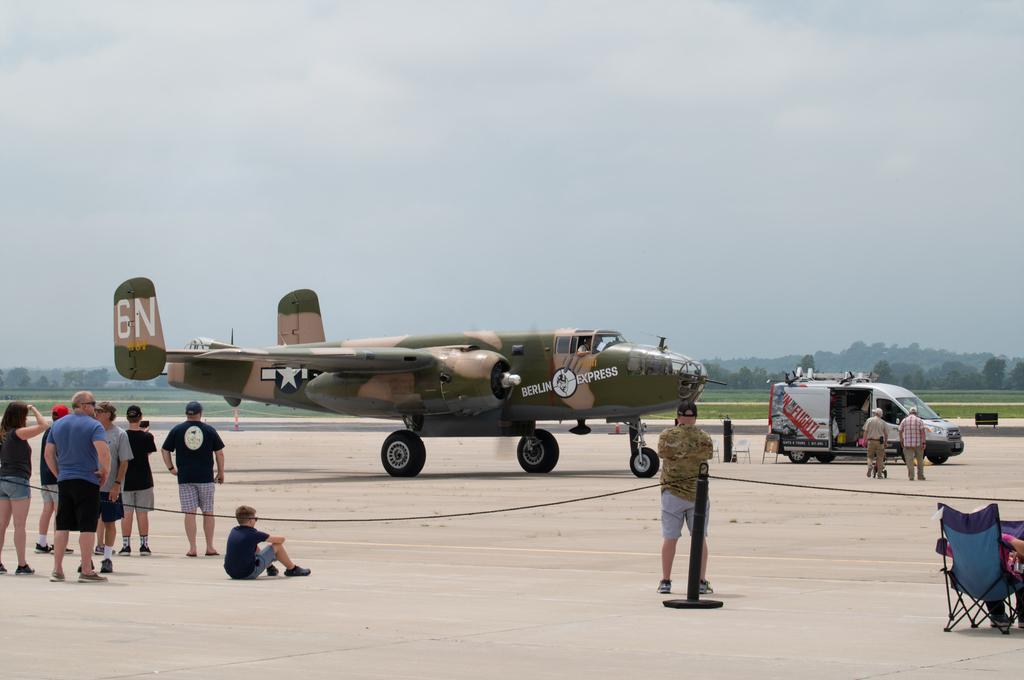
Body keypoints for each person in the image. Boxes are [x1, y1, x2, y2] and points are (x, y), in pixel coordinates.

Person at [43, 390, 111, 582]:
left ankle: (57, 569)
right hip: (87, 480)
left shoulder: (57, 425)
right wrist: (104, 472)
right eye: (92, 404)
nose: (94, 408)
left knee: (62, 525)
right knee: (87, 527)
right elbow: (103, 452)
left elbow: (48, 454)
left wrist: (59, 474)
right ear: (83, 405)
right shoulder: (94, 426)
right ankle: (86, 569)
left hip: (65, 480)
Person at [656, 401, 714, 595]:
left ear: (678, 416)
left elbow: (662, 453)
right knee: (699, 539)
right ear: (695, 417)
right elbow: (707, 455)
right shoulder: (704, 437)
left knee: (670, 538)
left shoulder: (666, 436)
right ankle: (700, 581)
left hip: (672, 493)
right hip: (697, 494)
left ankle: (665, 581)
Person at [161, 401, 225, 557]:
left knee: (190, 513)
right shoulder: (209, 430)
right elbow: (219, 453)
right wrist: (221, 472)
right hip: (205, 477)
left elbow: (165, 449)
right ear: (200, 413)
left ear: (186, 414)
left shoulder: (177, 429)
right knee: (208, 512)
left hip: (185, 478)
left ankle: (192, 547)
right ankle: (209, 547)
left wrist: (171, 468)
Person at [0, 402, 49, 575]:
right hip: (18, 481)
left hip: (3, 479)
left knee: (2, 525)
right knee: (19, 525)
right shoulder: (18, 433)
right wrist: (34, 408)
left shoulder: (3, 434)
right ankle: (21, 564)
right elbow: (44, 425)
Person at [94, 402, 133, 573]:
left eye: (100, 411)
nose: (96, 414)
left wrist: (117, 484)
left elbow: (124, 461)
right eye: (95, 411)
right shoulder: (92, 431)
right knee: (88, 522)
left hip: (110, 487)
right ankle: (86, 559)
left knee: (109, 522)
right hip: (91, 486)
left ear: (109, 414)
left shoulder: (120, 434)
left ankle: (107, 558)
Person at [224, 505, 311, 579]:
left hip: (231, 573)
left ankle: (270, 568)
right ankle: (292, 569)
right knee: (277, 546)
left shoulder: (234, 530)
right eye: (255, 518)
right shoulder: (253, 534)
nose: (256, 520)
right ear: (250, 521)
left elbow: (253, 545)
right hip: (247, 573)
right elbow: (281, 540)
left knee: (253, 545)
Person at [35, 404, 73, 554]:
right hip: (56, 475)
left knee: (47, 509)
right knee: (60, 511)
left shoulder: (48, 431)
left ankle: (41, 541)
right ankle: (59, 543)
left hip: (45, 476)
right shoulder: (60, 431)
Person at [120, 405, 157, 555]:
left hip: (126, 478)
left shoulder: (122, 435)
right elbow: (147, 454)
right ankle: (144, 545)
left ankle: (125, 545)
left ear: (127, 418)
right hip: (144, 478)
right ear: (140, 417)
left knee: (126, 513)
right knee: (142, 513)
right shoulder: (147, 436)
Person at [899, 406, 927, 481]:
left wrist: (901, 440)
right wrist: (924, 442)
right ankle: (920, 476)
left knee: (909, 461)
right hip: (918, 444)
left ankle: (911, 476)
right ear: (916, 413)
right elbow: (923, 432)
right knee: (920, 460)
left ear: (909, 413)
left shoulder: (904, 420)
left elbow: (900, 430)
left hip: (907, 444)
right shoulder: (919, 420)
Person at [862, 407, 888, 479]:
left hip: (870, 441)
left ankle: (870, 466)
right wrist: (885, 442)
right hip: (880, 442)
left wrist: (864, 440)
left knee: (870, 457)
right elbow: (886, 434)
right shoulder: (883, 422)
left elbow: (865, 431)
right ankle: (879, 475)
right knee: (880, 458)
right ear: (881, 414)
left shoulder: (869, 420)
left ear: (875, 413)